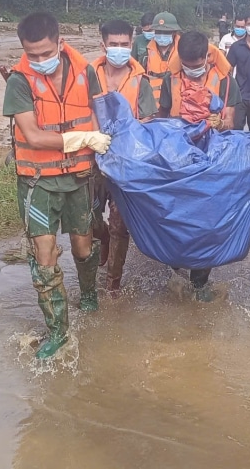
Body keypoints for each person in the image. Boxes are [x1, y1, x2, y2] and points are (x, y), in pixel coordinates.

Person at [2, 11, 111, 359]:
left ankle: (89, 293)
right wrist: (80, 139)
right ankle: (58, 332)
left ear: (60, 43)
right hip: (37, 182)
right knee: (44, 257)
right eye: (31, 55)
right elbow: (32, 135)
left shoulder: (86, 72)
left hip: (79, 178)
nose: (39, 61)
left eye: (45, 54)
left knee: (82, 247)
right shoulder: (19, 81)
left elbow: (103, 116)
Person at [159, 31, 242, 300]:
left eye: (198, 65)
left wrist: (220, 122)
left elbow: (231, 123)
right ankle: (176, 266)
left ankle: (199, 282)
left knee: (206, 222)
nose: (193, 70)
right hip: (177, 161)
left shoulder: (226, 82)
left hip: (211, 164)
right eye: (188, 65)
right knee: (174, 217)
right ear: (180, 59)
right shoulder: (170, 81)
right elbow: (161, 118)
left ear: (207, 57)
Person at [91, 19, 157, 294]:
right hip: (91, 158)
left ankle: (112, 285)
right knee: (90, 220)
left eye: (124, 45)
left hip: (126, 163)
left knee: (121, 225)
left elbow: (149, 119)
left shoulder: (141, 80)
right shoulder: (88, 75)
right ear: (103, 45)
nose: (119, 49)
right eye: (113, 45)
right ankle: (101, 238)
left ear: (132, 44)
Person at [142, 11, 182, 104]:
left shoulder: (184, 52)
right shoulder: (145, 55)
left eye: (166, 32)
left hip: (176, 104)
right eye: (159, 31)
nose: (162, 34)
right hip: (152, 106)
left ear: (174, 32)